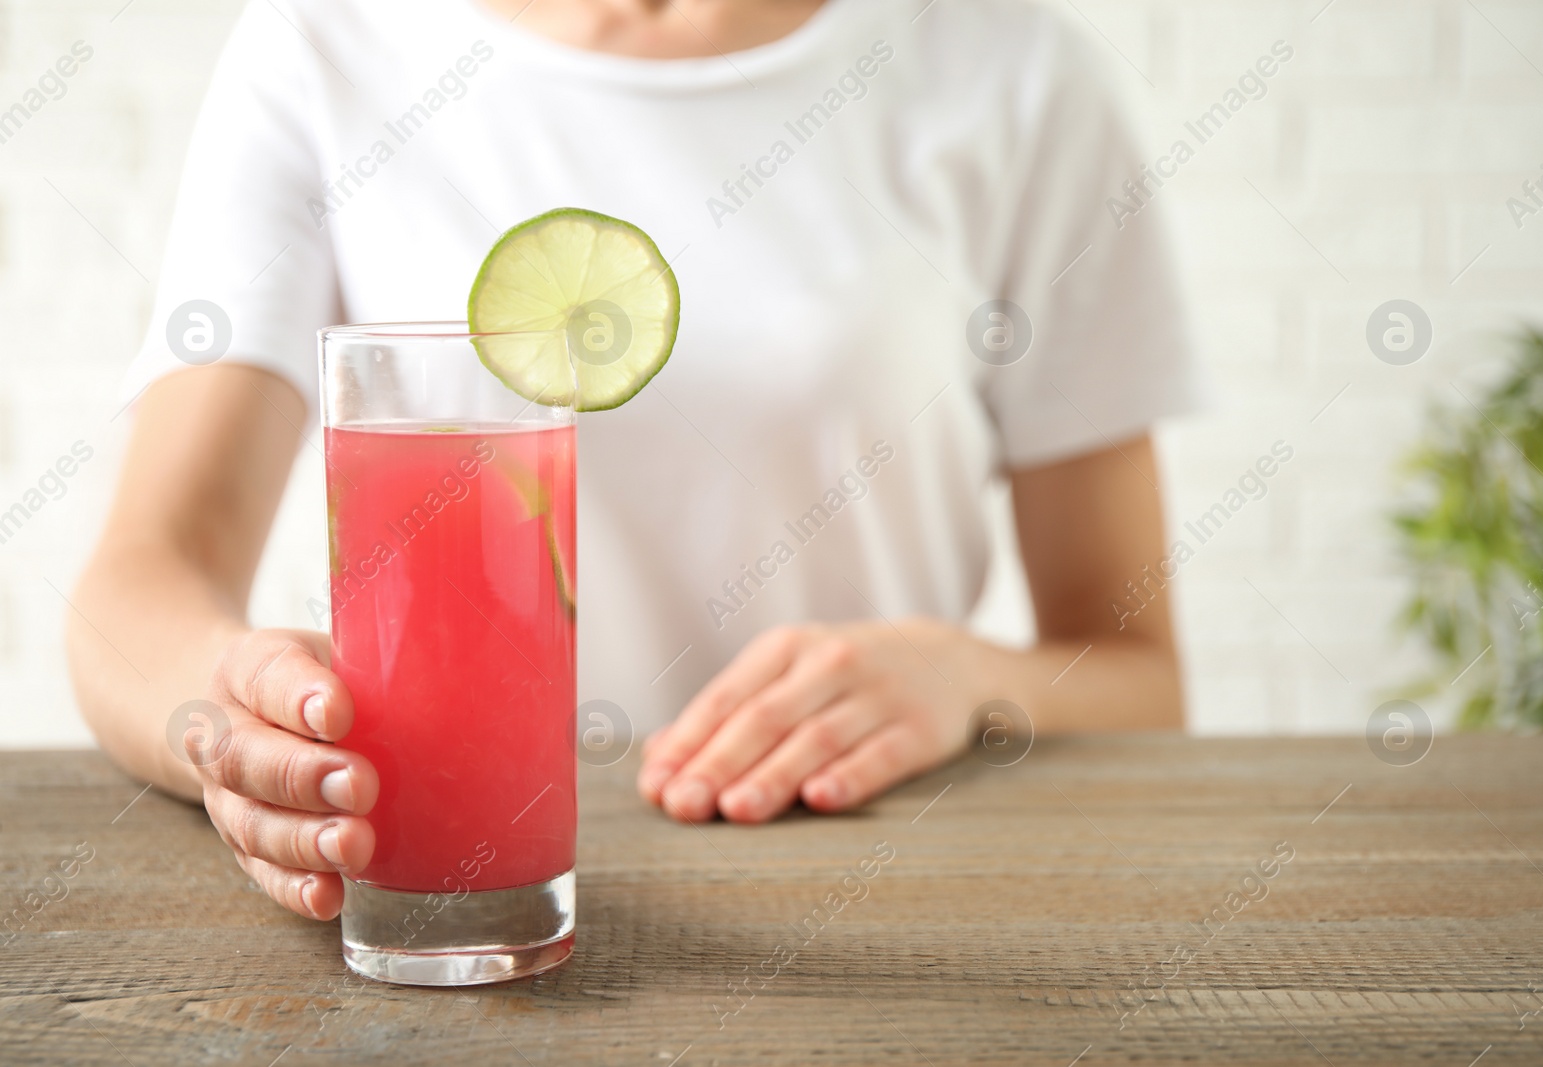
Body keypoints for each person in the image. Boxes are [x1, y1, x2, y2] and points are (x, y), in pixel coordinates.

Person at [67, 0, 1199, 923]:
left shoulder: (1014, 71)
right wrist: (236, 720)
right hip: (441, 875)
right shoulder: (327, 45)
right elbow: (139, 589)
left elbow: (1139, 678)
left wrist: (970, 680)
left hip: (887, 893)